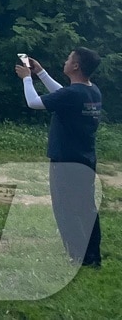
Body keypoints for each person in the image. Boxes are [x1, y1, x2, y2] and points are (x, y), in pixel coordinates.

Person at [17, 47, 103, 268]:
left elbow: (34, 103)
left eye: (68, 58)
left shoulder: (72, 95)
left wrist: (27, 79)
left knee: (65, 209)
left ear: (75, 66)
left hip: (65, 160)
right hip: (85, 158)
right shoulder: (91, 92)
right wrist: (42, 73)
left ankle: (76, 256)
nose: (65, 61)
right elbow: (63, 94)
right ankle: (93, 257)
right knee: (86, 208)